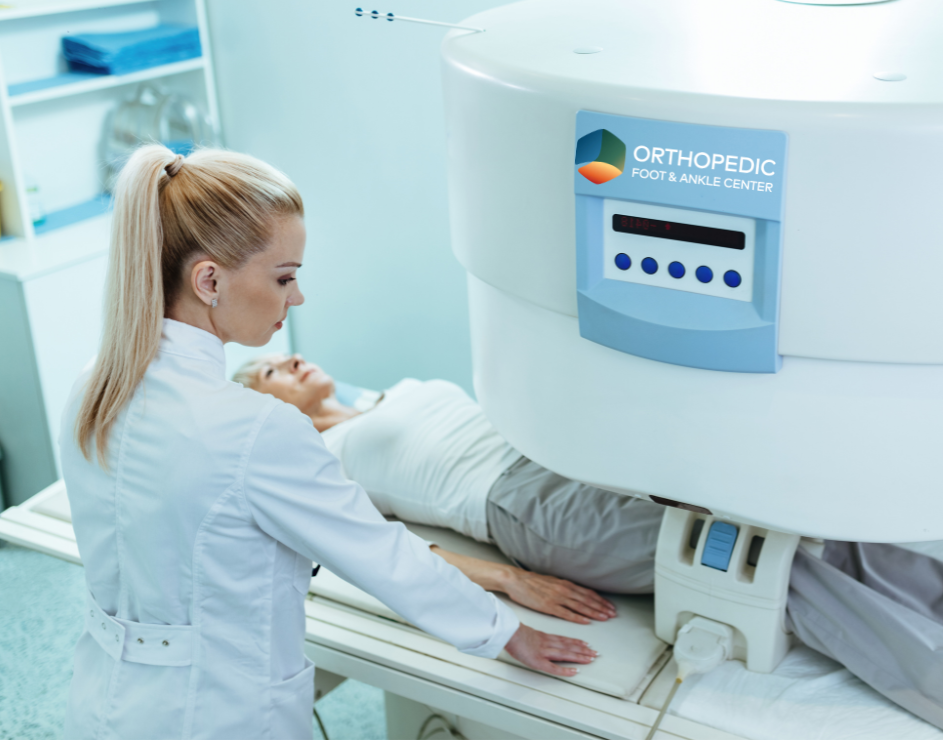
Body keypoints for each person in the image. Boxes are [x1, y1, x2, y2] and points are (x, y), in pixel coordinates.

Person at [238, 351, 943, 739]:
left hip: (568, 461)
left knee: (804, 532)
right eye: (268, 373)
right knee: (769, 568)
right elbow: (377, 549)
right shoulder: (323, 458)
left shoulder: (393, 391)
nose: (288, 360)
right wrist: (508, 580)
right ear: (266, 408)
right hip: (530, 512)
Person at [60, 146, 594, 740]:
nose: (296, 298)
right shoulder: (251, 428)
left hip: (104, 703)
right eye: (284, 277)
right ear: (209, 280)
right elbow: (380, 554)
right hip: (217, 714)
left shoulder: (92, 385)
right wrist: (505, 631)